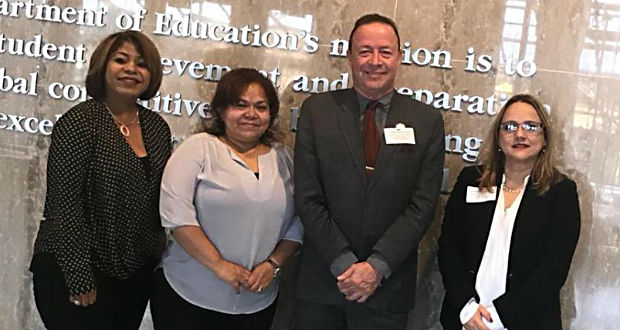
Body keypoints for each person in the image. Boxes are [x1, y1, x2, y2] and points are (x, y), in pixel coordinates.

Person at [293, 13, 445, 330]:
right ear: (349, 57)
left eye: (385, 52)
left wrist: (376, 267)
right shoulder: (317, 112)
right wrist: (344, 264)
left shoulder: (427, 121)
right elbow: (308, 197)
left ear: (399, 58)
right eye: (365, 51)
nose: (375, 61)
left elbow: (422, 205)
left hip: (387, 289)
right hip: (323, 285)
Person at [30, 31, 171, 330]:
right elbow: (64, 205)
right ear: (103, 66)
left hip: (133, 272)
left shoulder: (157, 128)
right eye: (121, 60)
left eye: (141, 64)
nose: (131, 69)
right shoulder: (79, 122)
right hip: (75, 267)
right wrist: (79, 277)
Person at [151, 68, 303, 330]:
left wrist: (273, 264)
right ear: (221, 110)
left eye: (261, 107)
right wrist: (219, 265)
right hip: (187, 295)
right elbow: (176, 215)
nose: (251, 114)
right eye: (240, 105)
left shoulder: (285, 158)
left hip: (257, 302)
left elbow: (299, 220)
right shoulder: (198, 148)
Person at [438, 94, 581, 330]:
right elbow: (449, 249)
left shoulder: (561, 192)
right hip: (466, 319)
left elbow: (553, 269)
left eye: (531, 127)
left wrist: (497, 319)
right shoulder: (470, 180)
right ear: (498, 136)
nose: (520, 134)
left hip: (525, 321)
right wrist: (467, 308)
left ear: (544, 137)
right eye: (510, 126)